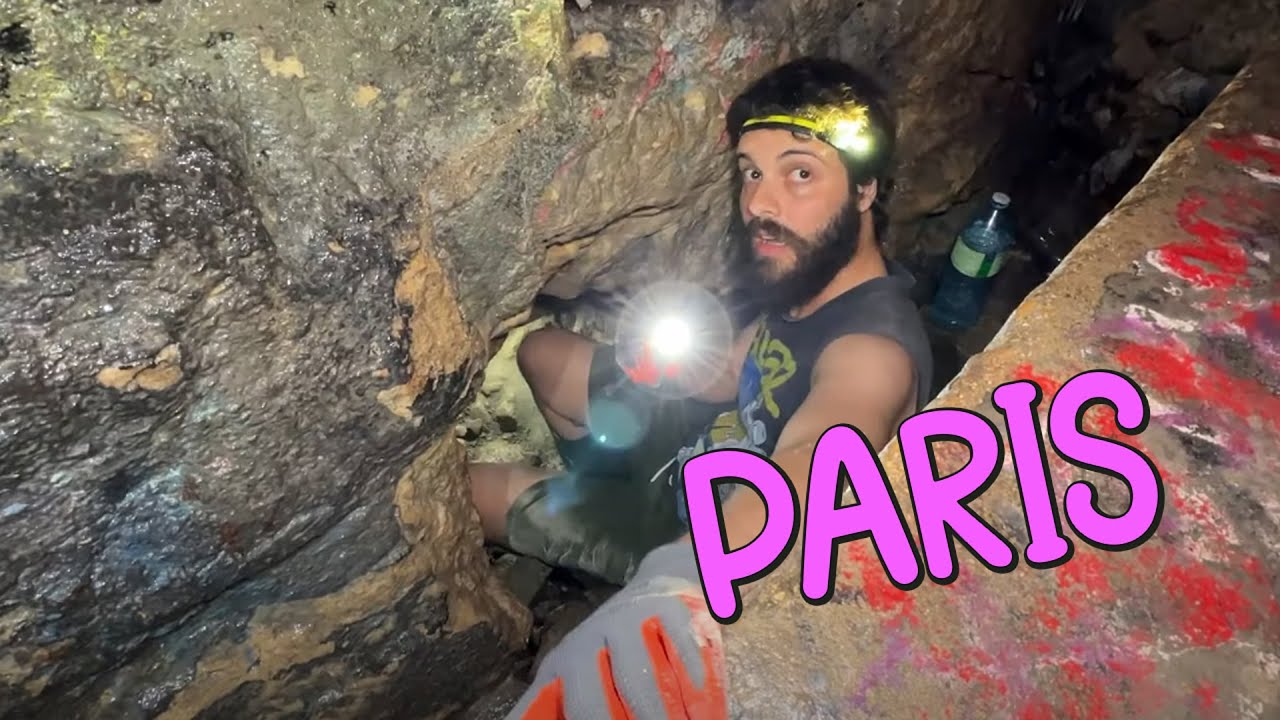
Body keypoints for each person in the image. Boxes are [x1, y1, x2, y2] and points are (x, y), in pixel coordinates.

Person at [477, 57, 935, 719]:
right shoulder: (807, 274)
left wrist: (675, 586)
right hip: (699, 445)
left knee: (478, 491)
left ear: (865, 190)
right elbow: (732, 372)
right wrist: (658, 360)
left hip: (696, 526)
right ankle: (599, 480)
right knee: (542, 354)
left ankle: (606, 546)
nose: (759, 205)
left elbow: (816, 461)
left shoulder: (875, 353)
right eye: (751, 172)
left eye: (800, 173)